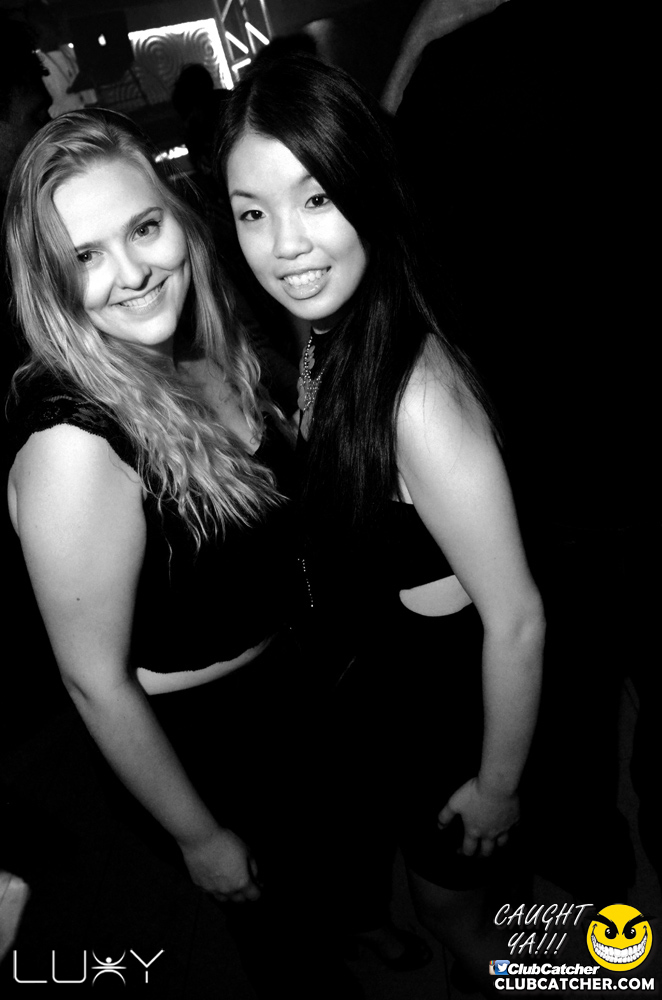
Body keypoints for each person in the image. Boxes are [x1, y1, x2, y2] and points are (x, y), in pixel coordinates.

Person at [3, 108, 362, 998]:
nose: (132, 273)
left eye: (143, 228)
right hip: (209, 747)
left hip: (291, 689)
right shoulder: (75, 447)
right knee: (286, 957)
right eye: (85, 257)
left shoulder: (200, 347)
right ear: (48, 280)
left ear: (179, 217)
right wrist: (199, 836)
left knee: (328, 895)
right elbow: (95, 682)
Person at [215, 54, 546, 993]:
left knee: (456, 914)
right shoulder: (332, 333)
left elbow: (519, 619)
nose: (285, 245)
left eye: (316, 199)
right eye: (252, 213)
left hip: (454, 726)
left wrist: (498, 786)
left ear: (366, 188)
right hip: (398, 709)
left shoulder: (417, 397)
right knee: (457, 907)